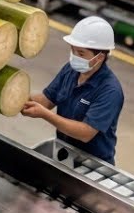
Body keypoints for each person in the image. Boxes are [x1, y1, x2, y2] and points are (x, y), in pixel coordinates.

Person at [21, 16, 124, 164]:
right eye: (73, 50)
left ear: (99, 57)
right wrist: (16, 99)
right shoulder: (70, 71)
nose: (75, 57)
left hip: (94, 164)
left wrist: (44, 115)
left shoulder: (110, 91)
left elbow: (85, 133)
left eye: (81, 53)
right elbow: (47, 100)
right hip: (65, 153)